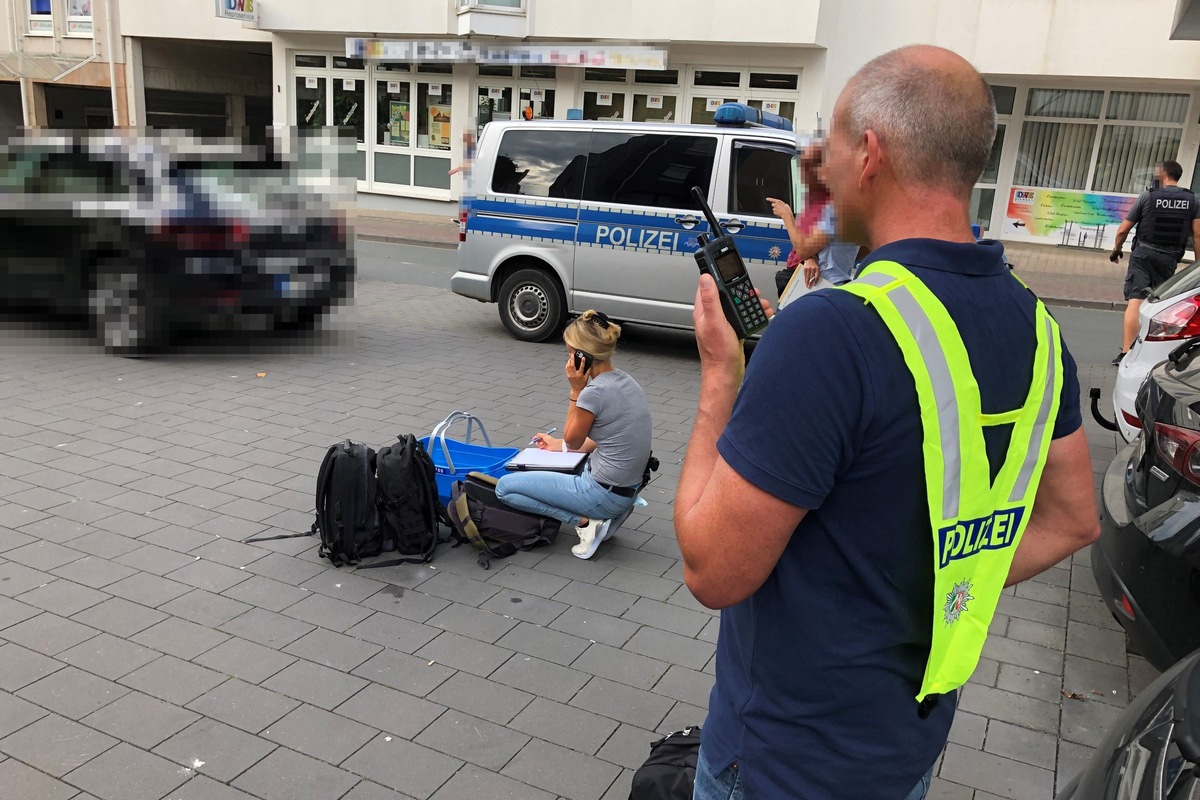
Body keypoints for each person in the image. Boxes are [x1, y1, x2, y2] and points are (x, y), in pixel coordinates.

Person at [675, 45, 1099, 800]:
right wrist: (942, 585)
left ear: (869, 152)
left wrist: (721, 380)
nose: (824, 173)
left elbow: (712, 569)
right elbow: (1072, 520)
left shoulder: (831, 331)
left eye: (829, 148)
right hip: (905, 751)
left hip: (781, 762)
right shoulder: (1040, 330)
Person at [495, 310, 652, 560]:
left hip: (602, 492)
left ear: (583, 356)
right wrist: (557, 444)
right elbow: (606, 438)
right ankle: (607, 517)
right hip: (625, 490)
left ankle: (585, 522)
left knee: (504, 488)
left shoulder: (593, 392)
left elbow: (573, 440)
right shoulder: (626, 381)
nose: (568, 361)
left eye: (569, 353)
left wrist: (576, 390)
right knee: (547, 471)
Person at [1108, 160, 1200, 365]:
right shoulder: (1193, 200)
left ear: (1163, 174)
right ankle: (1150, 353)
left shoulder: (1148, 197)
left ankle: (1126, 353)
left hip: (1142, 255)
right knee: (1159, 304)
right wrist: (1197, 268)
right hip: (1168, 259)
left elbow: (1123, 229)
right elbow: (1198, 235)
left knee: (1135, 300)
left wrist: (1116, 251)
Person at [767, 142, 859, 298]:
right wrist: (812, 256)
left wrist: (786, 214)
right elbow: (861, 250)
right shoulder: (855, 206)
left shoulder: (836, 209)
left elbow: (803, 248)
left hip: (821, 285)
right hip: (835, 282)